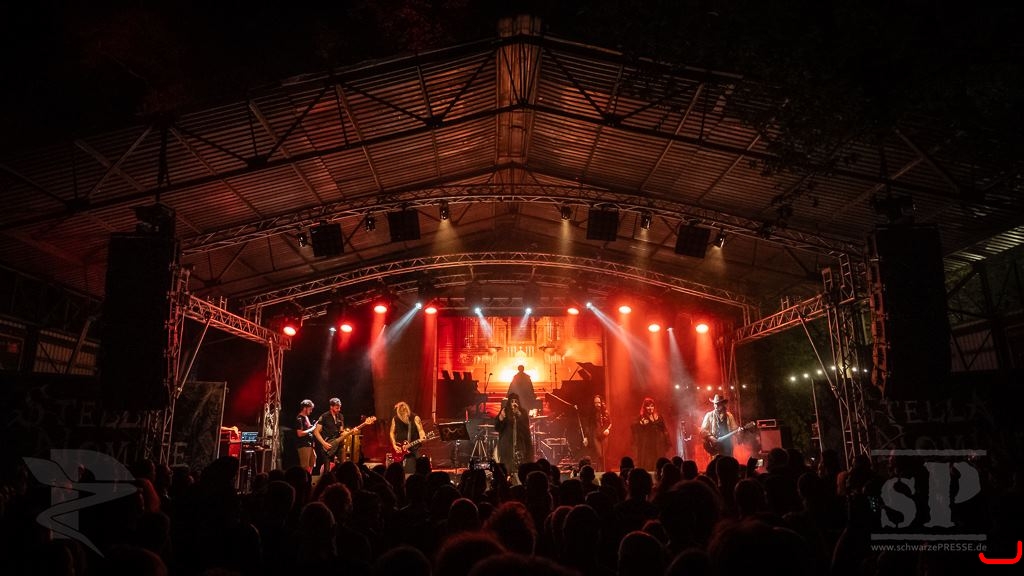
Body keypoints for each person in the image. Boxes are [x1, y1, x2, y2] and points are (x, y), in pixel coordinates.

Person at [494, 392, 532, 482]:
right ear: (509, 402)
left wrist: (519, 414)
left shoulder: (522, 412)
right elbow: (497, 428)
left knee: (520, 463)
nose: (514, 403)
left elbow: (526, 428)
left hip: (519, 442)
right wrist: (500, 418)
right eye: (512, 401)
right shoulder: (504, 411)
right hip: (506, 443)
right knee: (507, 464)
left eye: (516, 401)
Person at [630, 397, 669, 471]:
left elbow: (664, 428)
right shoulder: (641, 417)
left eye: (652, 406)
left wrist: (665, 441)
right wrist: (641, 424)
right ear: (645, 407)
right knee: (649, 463)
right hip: (648, 445)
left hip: (658, 444)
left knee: (659, 461)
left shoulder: (659, 416)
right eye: (648, 406)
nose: (650, 408)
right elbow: (633, 427)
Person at [699, 394, 742, 458]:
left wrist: (739, 433)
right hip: (715, 447)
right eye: (715, 404)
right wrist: (710, 437)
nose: (716, 406)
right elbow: (703, 430)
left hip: (728, 446)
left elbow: (734, 429)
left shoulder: (729, 416)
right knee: (716, 462)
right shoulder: (709, 415)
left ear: (723, 404)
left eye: (718, 404)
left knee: (728, 461)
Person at [389, 401, 426, 473]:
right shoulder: (395, 419)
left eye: (405, 413)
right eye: (401, 415)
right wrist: (394, 445)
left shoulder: (415, 418)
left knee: (416, 467)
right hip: (399, 448)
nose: (404, 416)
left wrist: (422, 436)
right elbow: (391, 432)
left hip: (413, 448)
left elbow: (421, 430)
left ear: (407, 411)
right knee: (397, 471)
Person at [312, 397, 344, 473]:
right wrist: (324, 443)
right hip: (327, 445)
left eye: (339, 407)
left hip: (338, 444)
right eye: (337, 408)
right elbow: (316, 432)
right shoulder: (324, 416)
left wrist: (351, 432)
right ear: (331, 407)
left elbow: (341, 431)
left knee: (342, 466)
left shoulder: (340, 416)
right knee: (327, 470)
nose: (339, 409)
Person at [582, 394, 611, 472]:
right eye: (595, 403)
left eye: (598, 402)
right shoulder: (591, 413)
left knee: (603, 455)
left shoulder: (605, 412)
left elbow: (610, 423)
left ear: (601, 402)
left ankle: (602, 471)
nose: (597, 404)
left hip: (604, 435)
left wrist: (608, 429)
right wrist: (586, 437)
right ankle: (599, 471)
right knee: (599, 454)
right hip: (596, 435)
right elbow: (587, 425)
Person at [296, 399, 317, 474]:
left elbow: (309, 429)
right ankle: (305, 479)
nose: (311, 411)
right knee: (305, 466)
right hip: (303, 445)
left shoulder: (306, 418)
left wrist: (314, 426)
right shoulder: (299, 418)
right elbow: (299, 433)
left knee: (312, 463)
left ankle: (309, 478)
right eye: (310, 409)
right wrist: (312, 429)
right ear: (305, 408)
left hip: (310, 445)